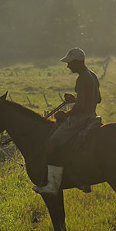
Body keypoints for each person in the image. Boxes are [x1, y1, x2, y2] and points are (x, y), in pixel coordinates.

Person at [32, 47, 101, 194]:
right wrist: (75, 99)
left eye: (70, 63)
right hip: (92, 115)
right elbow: (97, 99)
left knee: (51, 143)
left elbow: (82, 106)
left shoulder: (82, 78)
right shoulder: (92, 75)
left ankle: (52, 185)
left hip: (81, 119)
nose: (68, 66)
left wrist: (66, 114)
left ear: (77, 62)